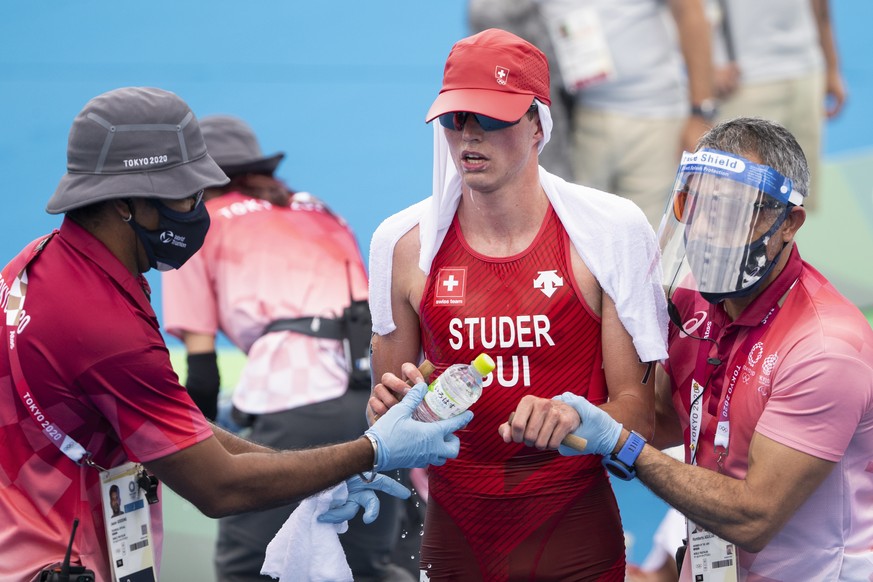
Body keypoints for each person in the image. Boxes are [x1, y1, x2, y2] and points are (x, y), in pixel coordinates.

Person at [0, 86, 472, 582]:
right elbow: (217, 485)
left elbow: (179, 420)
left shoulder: (35, 265)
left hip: (35, 542)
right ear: (128, 201)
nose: (201, 208)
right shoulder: (103, 322)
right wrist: (371, 450)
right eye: (187, 192)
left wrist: (321, 476)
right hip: (58, 563)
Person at [501, 117, 873, 580]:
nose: (710, 232)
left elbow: (754, 517)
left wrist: (624, 446)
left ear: (788, 224)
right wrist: (546, 407)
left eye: (737, 212)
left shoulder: (826, 349)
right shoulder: (692, 302)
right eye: (699, 206)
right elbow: (657, 418)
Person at [367, 29, 669, 581]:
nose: (468, 135)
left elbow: (641, 414)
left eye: (490, 118)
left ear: (537, 124)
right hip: (454, 535)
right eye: (456, 118)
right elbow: (394, 429)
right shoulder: (402, 244)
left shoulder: (608, 232)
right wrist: (386, 412)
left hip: (572, 531)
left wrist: (577, 415)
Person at [162, 113, 414, 582]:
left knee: (251, 569)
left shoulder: (194, 224)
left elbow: (202, 374)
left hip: (293, 396)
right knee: (368, 567)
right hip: (381, 395)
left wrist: (181, 458)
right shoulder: (318, 208)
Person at [527, 0, 716, 228]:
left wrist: (700, 112)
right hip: (583, 118)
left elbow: (690, 12)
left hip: (655, 115)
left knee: (649, 237)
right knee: (583, 234)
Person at [708, 0, 846, 210]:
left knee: (795, 205)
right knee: (735, 208)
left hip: (806, 71)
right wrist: (711, 63)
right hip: (745, 80)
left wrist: (832, 65)